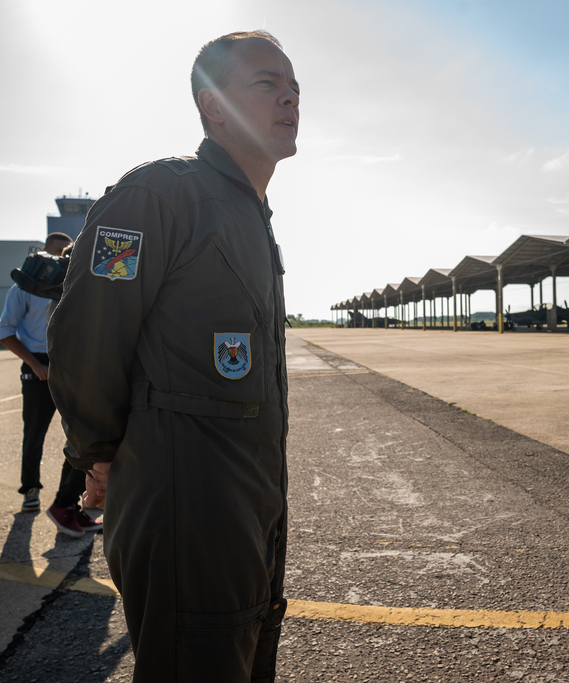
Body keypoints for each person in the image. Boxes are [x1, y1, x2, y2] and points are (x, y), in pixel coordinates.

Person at [48, 30, 297, 682]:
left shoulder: (252, 218)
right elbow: (87, 332)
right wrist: (97, 455)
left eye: (294, 85)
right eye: (267, 83)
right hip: (189, 524)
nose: (290, 96)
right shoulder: (160, 197)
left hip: (249, 523)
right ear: (214, 106)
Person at [2, 234, 100, 537]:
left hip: (64, 364)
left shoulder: (74, 287)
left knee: (80, 438)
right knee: (35, 433)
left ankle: (69, 505)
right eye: (58, 254)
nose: (61, 261)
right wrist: (35, 365)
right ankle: (32, 490)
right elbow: (5, 331)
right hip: (39, 365)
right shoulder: (26, 290)